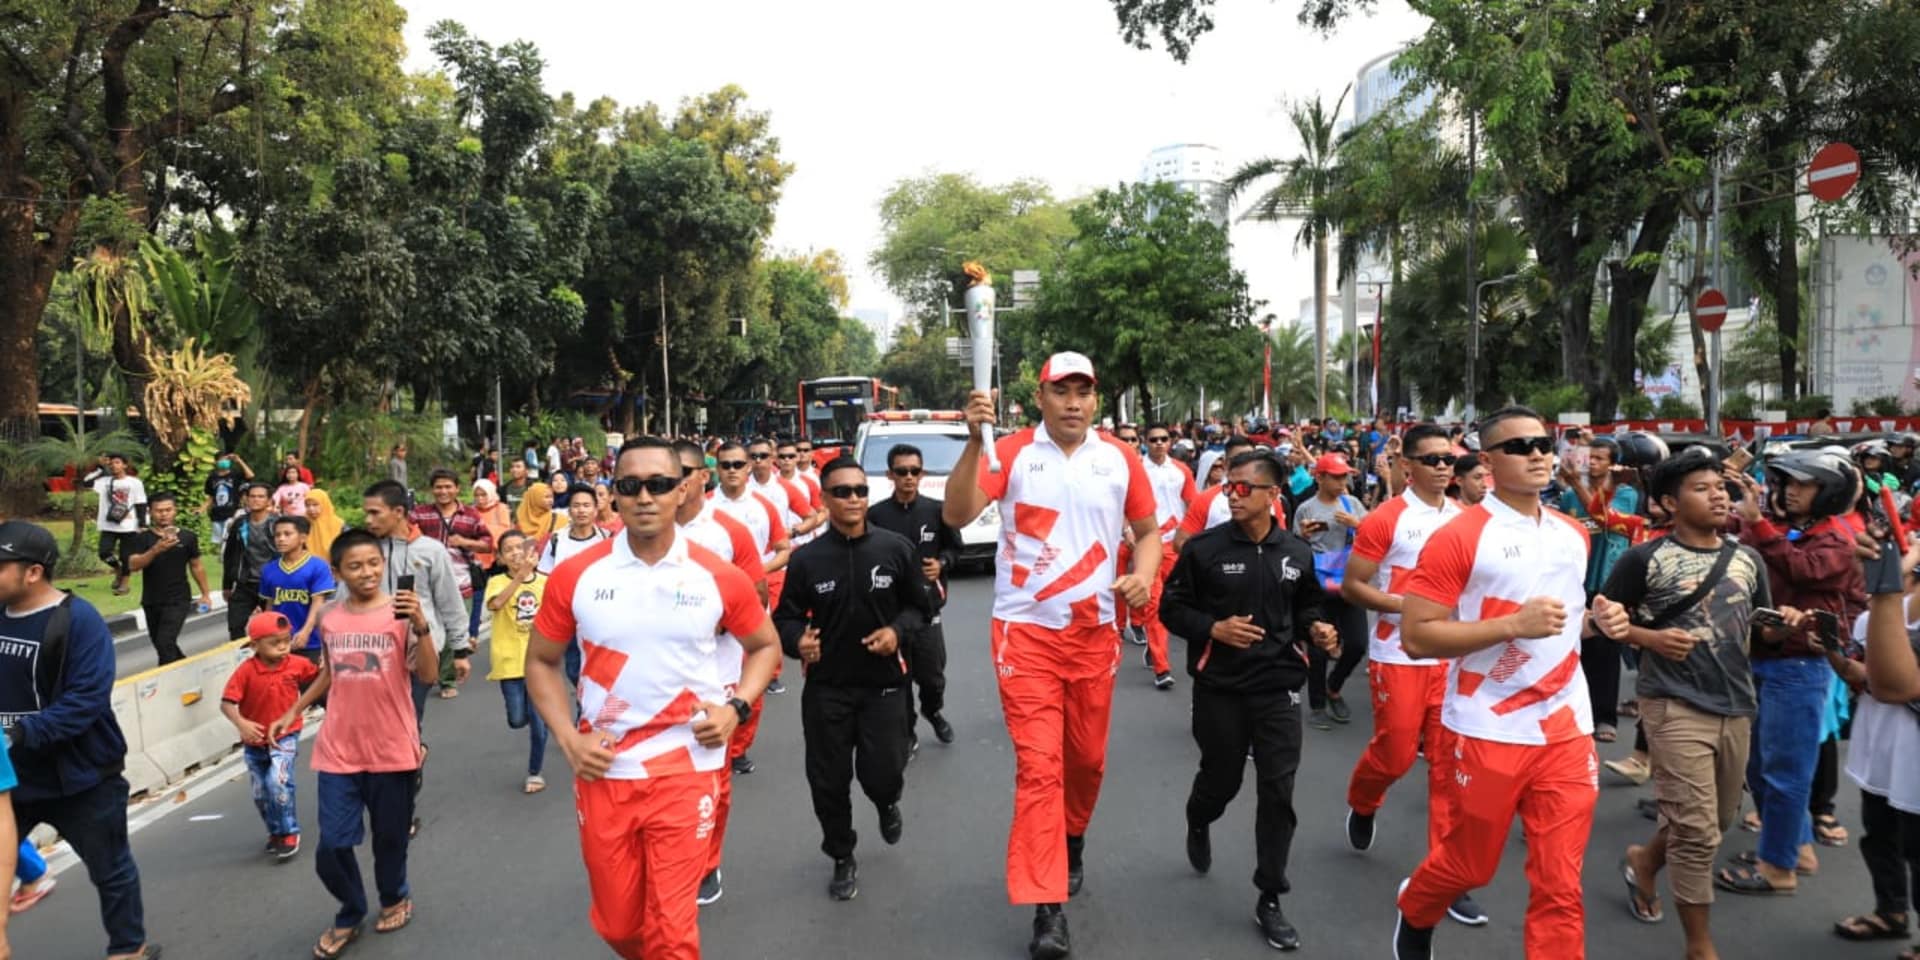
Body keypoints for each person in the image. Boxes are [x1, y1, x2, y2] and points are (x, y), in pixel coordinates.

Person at [525, 437, 780, 960]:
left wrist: (737, 707)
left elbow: (764, 646)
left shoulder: (716, 575)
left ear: (682, 490)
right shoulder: (576, 575)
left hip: (688, 766)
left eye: (659, 485)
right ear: (611, 496)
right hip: (605, 767)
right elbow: (541, 661)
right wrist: (569, 740)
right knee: (619, 924)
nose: (645, 497)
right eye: (630, 485)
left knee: (672, 926)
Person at [942, 351, 1160, 960]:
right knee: (1041, 769)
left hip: (1094, 632)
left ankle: (1073, 836)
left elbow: (1147, 533)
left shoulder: (1119, 458)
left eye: (1082, 392)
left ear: (1095, 400)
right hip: (1026, 632)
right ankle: (1047, 905)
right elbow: (956, 514)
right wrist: (973, 442)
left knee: (1085, 762)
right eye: (1060, 391)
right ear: (1039, 397)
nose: (1072, 402)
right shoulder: (1008, 452)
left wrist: (1142, 575)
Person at [1392, 406, 1631, 960]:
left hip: (1566, 728)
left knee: (1560, 885)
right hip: (1486, 726)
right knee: (1471, 864)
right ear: (1488, 463)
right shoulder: (1459, 537)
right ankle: (1417, 906)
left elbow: (1566, 625)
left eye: (1544, 443)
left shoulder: (1573, 533)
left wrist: (1601, 624)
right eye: (1520, 447)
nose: (1538, 454)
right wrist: (1510, 626)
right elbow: (1418, 638)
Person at [1604, 448, 1795, 958]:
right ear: (1668, 502)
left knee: (1716, 822)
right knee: (1695, 832)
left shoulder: (1748, 558)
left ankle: (1645, 860)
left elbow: (1760, 632)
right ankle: (1700, 946)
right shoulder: (1643, 559)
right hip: (1672, 703)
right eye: (1701, 488)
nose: (1718, 495)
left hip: (1736, 704)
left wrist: (1787, 628)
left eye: (1721, 487)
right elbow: (1600, 622)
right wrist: (1650, 639)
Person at [1159, 451, 1339, 950]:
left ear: (1272, 496)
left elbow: (1306, 605)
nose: (1230, 495)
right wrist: (1213, 628)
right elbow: (1170, 608)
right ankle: (1200, 816)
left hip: (1278, 686)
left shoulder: (1296, 553)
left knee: (1278, 792)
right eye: (1227, 487)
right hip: (1220, 686)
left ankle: (1270, 897)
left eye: (1242, 488)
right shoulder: (1203, 550)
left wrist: (1317, 628)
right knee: (1222, 779)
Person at [1339, 424, 1487, 927]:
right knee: (1397, 753)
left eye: (1449, 459)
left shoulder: (1469, 520)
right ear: (1408, 467)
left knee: (1449, 769)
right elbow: (1355, 586)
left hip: (1450, 659)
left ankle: (1445, 876)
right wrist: (1405, 607)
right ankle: (1363, 800)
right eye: (1432, 460)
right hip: (1398, 656)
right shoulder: (1386, 518)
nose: (1444, 467)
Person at [270, 529, 440, 960]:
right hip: (338, 747)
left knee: (389, 839)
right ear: (337, 572)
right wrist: (295, 709)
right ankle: (351, 909)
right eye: (355, 566)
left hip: (392, 748)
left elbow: (428, 676)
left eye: (373, 564)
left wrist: (421, 626)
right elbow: (331, 671)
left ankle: (394, 896)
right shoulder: (330, 617)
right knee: (331, 847)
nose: (367, 573)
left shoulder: (401, 615)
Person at [774, 457, 934, 900]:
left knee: (882, 773)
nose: (853, 499)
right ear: (824, 499)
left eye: (860, 491)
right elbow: (783, 617)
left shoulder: (895, 549)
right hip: (827, 688)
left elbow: (922, 608)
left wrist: (895, 632)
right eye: (842, 492)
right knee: (828, 781)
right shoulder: (807, 560)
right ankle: (842, 855)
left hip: (885, 686)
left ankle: (886, 802)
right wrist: (796, 641)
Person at [0, 520, 160, 960]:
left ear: (32, 572)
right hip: (14, 780)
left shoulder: (77, 621)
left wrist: (15, 732)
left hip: (82, 778)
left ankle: (129, 948)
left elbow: (84, 702)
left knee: (110, 870)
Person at [1715, 450, 1864, 894]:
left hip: (1799, 666)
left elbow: (1802, 568)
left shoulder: (1834, 539)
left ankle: (1778, 868)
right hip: (1763, 660)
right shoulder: (1787, 530)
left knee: (1785, 771)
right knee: (1761, 768)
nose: (1789, 490)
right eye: (1786, 482)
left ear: (1828, 492)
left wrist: (1757, 524)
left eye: (1802, 484)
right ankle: (1795, 848)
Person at [670, 439, 767, 906]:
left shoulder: (728, 531)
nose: (673, 482)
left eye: (684, 472)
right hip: (655, 680)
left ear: (701, 477)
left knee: (712, 776)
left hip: (716, 674)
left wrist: (710, 617)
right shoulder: (636, 532)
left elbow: (759, 600)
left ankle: (706, 862)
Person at [1847, 530, 1920, 954]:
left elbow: (1894, 683)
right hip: (1885, 744)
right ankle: (1890, 911)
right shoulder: (1881, 608)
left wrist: (1888, 578)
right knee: (1880, 833)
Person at [866, 443, 962, 747]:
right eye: (902, 471)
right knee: (899, 680)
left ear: (922, 474)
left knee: (932, 678)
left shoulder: (936, 510)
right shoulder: (876, 515)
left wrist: (942, 563)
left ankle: (933, 712)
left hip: (927, 611)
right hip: (891, 615)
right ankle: (907, 732)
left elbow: (955, 548)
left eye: (914, 471)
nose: (909, 477)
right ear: (890, 475)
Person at [1558, 436, 1644, 743]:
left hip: (1609, 580)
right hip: (1578, 581)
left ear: (1612, 463)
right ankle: (1575, 715)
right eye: (1589, 457)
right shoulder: (1568, 496)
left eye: (1599, 458)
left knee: (1606, 650)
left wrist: (1577, 486)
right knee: (1576, 649)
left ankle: (1604, 717)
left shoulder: (1625, 494)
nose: (1592, 462)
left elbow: (1604, 518)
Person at [221, 610, 320, 860]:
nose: (283, 647)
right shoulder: (245, 671)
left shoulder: (297, 665)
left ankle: (289, 831)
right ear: (255, 645)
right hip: (255, 742)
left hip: (285, 735)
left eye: (286, 640)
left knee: (278, 781)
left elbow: (320, 680)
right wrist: (241, 723)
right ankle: (275, 831)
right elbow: (227, 703)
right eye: (274, 643)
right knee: (261, 793)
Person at [712, 440, 797, 706]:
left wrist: (756, 571)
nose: (732, 470)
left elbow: (784, 549)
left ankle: (741, 736)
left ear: (747, 467)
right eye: (725, 465)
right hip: (714, 597)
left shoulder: (763, 505)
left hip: (754, 591)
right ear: (717, 470)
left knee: (754, 657)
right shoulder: (705, 505)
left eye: (738, 464)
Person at [1292, 453, 1368, 729]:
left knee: (1357, 644)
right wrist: (1303, 536)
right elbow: (1294, 549)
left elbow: (1375, 537)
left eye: (1343, 475)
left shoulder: (1353, 504)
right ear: (1319, 477)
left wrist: (1357, 525)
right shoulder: (1306, 509)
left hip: (1349, 584)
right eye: (1335, 476)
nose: (1341, 481)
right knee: (1319, 649)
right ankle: (1317, 705)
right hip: (1317, 586)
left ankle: (1333, 687)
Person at [409, 469, 493, 698]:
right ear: (431, 490)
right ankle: (428, 671)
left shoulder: (471, 515)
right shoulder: (420, 514)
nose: (443, 491)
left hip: (461, 582)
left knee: (451, 630)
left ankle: (447, 680)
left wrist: (464, 542)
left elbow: (488, 543)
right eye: (438, 487)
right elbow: (405, 535)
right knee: (428, 629)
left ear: (457, 489)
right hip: (427, 584)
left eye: (448, 487)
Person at [1131, 423, 1198, 689]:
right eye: (1154, 439)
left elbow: (1194, 504)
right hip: (1147, 544)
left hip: (1175, 546)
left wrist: (1190, 534)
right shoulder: (1136, 469)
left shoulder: (1181, 470)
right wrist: (1127, 530)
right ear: (1146, 442)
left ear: (1170, 442)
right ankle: (1162, 667)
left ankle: (1151, 640)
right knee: (1154, 604)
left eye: (1164, 439)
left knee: (1176, 601)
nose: (1159, 443)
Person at [483, 530, 548, 795]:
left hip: (540, 664)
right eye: (508, 549)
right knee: (517, 718)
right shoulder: (497, 582)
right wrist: (519, 578)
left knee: (539, 725)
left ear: (531, 551)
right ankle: (533, 718)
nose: (515, 553)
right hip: (509, 661)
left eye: (520, 547)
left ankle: (535, 772)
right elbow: (497, 604)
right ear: (500, 557)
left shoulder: (546, 581)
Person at [122, 492, 213, 665]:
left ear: (175, 511)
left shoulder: (187, 537)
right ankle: (186, 667)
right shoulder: (142, 538)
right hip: (152, 599)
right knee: (161, 644)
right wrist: (156, 550)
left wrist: (205, 594)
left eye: (168, 510)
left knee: (165, 642)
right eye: (159, 511)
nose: (163, 514)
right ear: (151, 512)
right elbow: (133, 565)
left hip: (178, 599)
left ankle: (166, 682)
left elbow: (196, 566)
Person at [258, 516, 337, 664]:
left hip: (311, 641)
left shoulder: (318, 566)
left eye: (287, 534)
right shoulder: (269, 570)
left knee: (311, 684)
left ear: (303, 538)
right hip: (279, 643)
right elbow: (270, 605)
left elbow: (318, 603)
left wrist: (306, 632)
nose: (281, 539)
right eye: (277, 535)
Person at [222, 481, 278, 642]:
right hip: (245, 583)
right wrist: (226, 585)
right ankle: (240, 659)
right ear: (246, 499)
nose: (255, 500)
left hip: (272, 583)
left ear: (268, 501)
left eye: (261, 497)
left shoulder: (277, 524)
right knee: (235, 624)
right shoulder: (240, 524)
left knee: (273, 626)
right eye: (252, 496)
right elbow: (230, 555)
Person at [92, 453, 147, 597]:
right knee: (104, 552)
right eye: (111, 463)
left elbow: (140, 502)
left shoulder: (134, 482)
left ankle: (124, 584)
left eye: (117, 462)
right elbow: (85, 482)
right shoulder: (104, 481)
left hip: (128, 525)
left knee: (126, 556)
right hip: (108, 524)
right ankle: (118, 570)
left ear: (125, 465)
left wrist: (142, 523)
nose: (113, 465)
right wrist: (100, 467)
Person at [536, 487, 611, 576]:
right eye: (576, 505)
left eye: (586, 505)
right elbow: (543, 575)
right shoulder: (556, 540)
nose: (581, 510)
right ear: (569, 511)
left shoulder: (607, 538)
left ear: (595, 510)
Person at [204, 452, 254, 547]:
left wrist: (239, 461)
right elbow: (211, 496)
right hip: (217, 515)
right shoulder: (212, 478)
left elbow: (250, 475)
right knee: (220, 543)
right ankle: (224, 560)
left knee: (232, 540)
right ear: (216, 462)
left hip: (233, 513)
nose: (224, 461)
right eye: (221, 459)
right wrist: (201, 509)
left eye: (226, 459)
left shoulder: (234, 475)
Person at [470, 479, 513, 576]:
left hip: (496, 557)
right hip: (476, 558)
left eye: (484, 495)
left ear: (491, 493)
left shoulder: (501, 508)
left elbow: (503, 532)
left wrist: (481, 530)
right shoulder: (471, 511)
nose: (480, 499)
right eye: (476, 495)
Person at [305, 489, 345, 568]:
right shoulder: (304, 524)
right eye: (307, 505)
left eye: (315, 505)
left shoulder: (339, 524)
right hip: (310, 569)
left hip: (335, 569)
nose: (311, 509)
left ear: (324, 504)